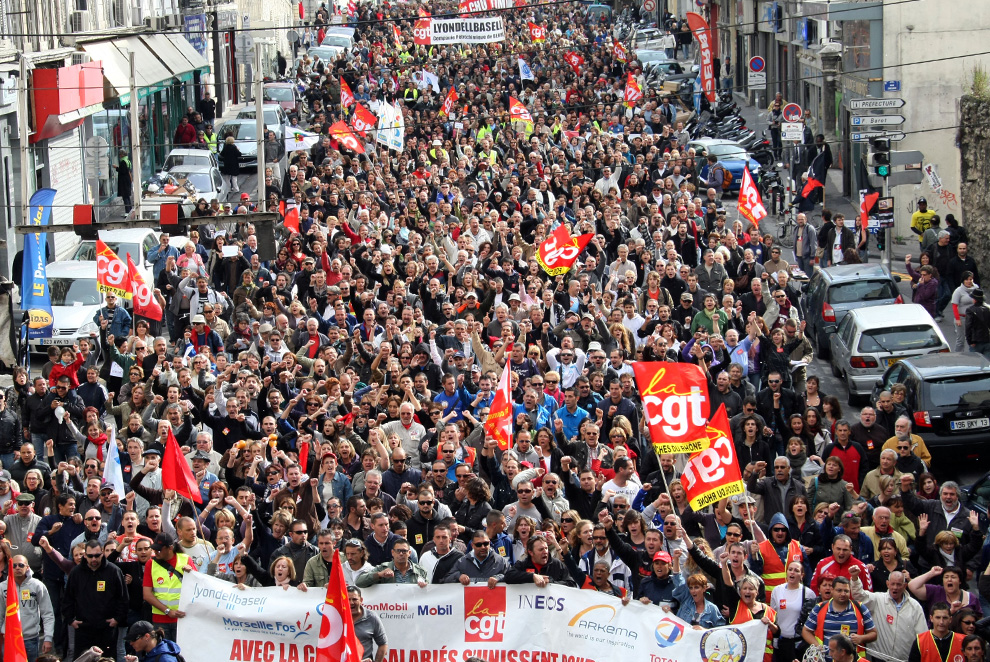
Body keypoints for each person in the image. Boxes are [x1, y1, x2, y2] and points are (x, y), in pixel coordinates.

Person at [0, 552, 55, 662]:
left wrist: (48, 637)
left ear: (27, 567)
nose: (17, 568)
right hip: (9, 639)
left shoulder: (37, 585)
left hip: (31, 639)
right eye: (14, 565)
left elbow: (47, 613)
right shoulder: (2, 587)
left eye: (21, 565)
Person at [348, 586, 388, 662]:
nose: (351, 603)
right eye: (348, 599)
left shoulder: (371, 617)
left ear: (361, 600)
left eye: (354, 599)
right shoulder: (337, 617)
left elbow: (383, 644)